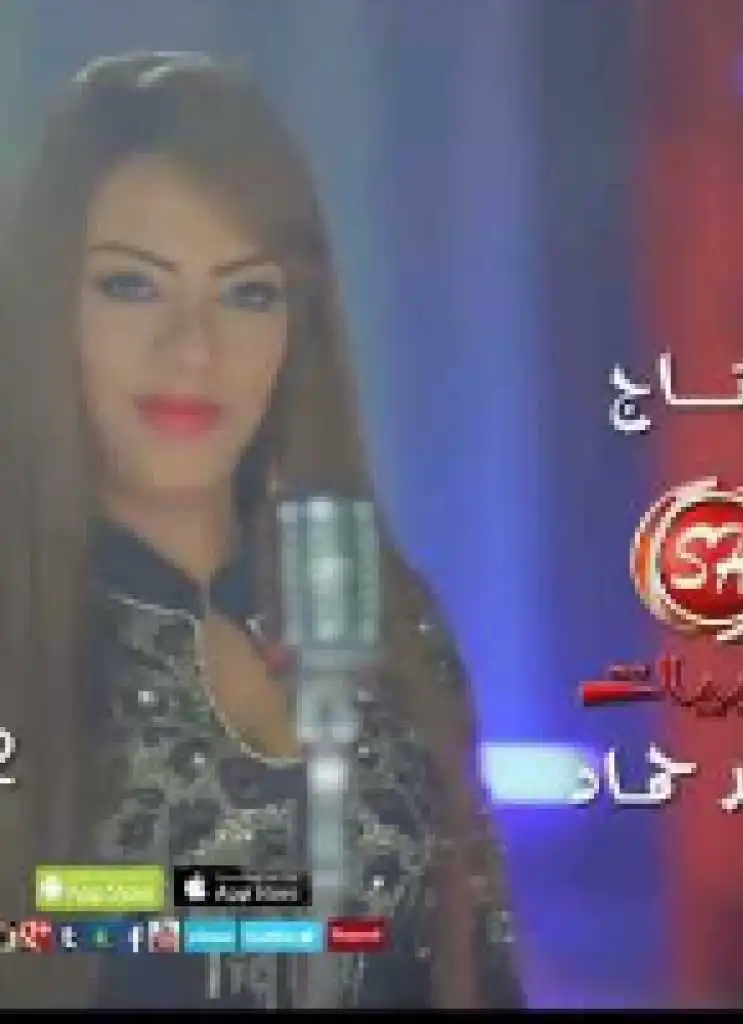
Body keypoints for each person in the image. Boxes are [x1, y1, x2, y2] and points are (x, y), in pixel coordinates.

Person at [0, 51, 522, 1009]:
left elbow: (481, 971)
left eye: (248, 292)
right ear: (45, 308)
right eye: (132, 286)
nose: (193, 349)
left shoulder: (393, 627)